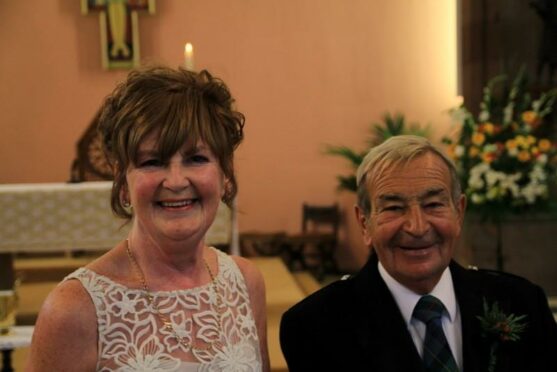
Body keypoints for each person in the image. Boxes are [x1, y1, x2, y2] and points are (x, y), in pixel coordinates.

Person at [27, 65, 270, 371]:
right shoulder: (74, 310)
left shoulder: (246, 284)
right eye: (152, 161)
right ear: (122, 181)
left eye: (196, 158)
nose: (176, 181)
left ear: (225, 175)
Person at [280, 135, 557, 371]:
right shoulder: (316, 326)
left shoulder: (521, 303)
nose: (417, 226)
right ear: (364, 223)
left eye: (433, 204)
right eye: (393, 208)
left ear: (459, 212)